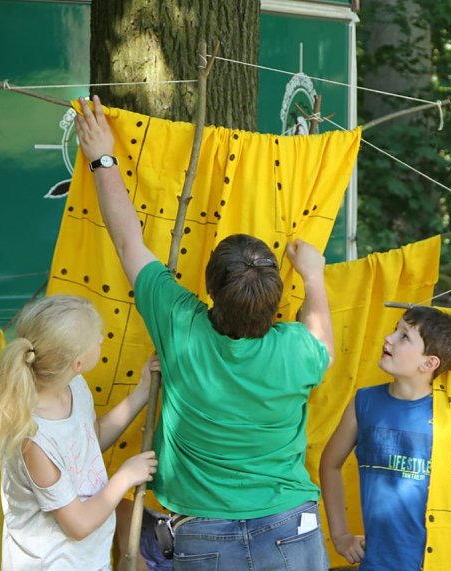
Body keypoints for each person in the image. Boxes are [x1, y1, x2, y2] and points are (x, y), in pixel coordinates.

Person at [74, 95, 335, 570]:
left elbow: (127, 238)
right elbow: (322, 338)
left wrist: (101, 156)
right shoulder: (299, 351)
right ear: (276, 297)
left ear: (209, 288)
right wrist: (314, 276)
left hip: (202, 534)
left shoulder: (181, 327)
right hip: (290, 527)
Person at [0, 294, 159, 570]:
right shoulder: (33, 439)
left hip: (86, 559)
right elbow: (78, 524)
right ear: (77, 363)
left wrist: (142, 391)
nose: (101, 339)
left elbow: (88, 441)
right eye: (97, 337)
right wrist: (125, 478)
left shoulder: (73, 387)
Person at [320, 306, 451, 571]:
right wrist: (340, 535)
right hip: (376, 563)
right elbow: (329, 464)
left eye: (404, 336)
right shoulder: (363, 403)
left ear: (429, 363)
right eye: (394, 330)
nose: (389, 338)